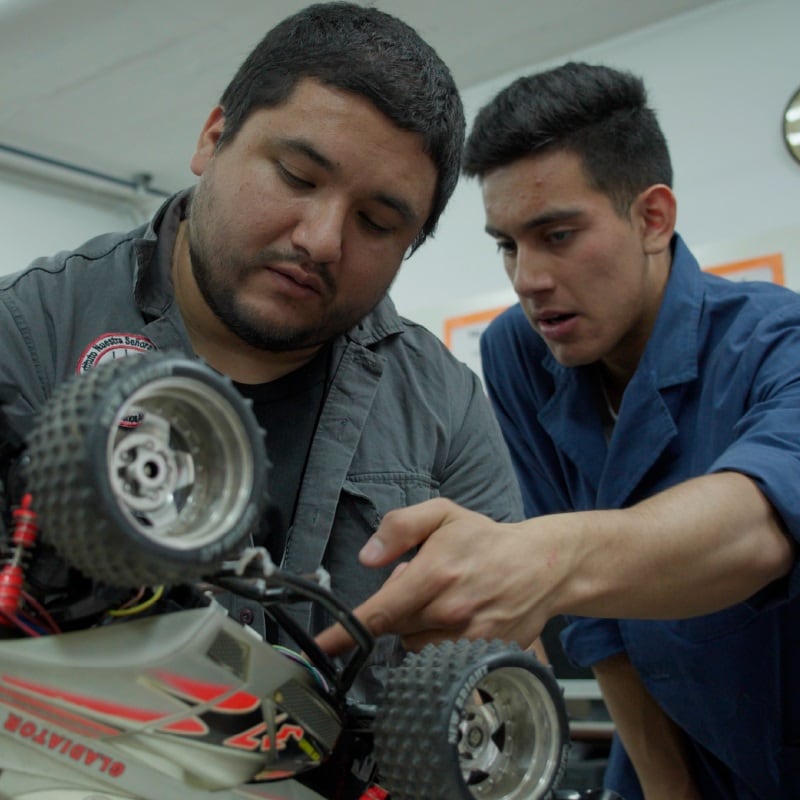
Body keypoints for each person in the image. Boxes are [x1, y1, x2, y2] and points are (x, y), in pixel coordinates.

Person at [0, 2, 523, 693]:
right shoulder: (28, 334)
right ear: (213, 138)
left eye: (375, 221)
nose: (322, 239)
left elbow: (503, 691)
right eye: (298, 178)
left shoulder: (444, 409)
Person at [316, 63, 800, 798]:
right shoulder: (523, 352)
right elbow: (599, 624)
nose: (527, 277)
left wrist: (539, 560)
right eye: (508, 244)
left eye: (558, 235)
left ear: (653, 218)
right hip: (671, 748)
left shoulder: (778, 344)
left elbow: (760, 527)